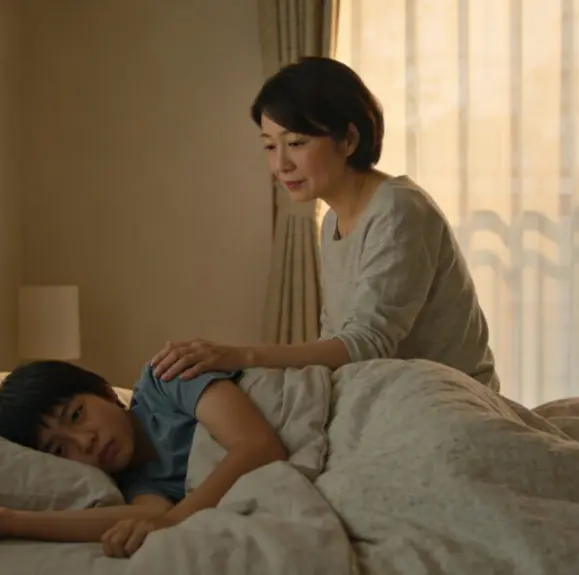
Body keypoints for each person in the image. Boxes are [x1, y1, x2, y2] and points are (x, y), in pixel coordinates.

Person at [150, 56, 500, 392]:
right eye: (269, 147)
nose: (281, 165)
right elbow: (336, 339)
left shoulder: (398, 210)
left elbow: (367, 343)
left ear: (348, 139)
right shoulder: (332, 220)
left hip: (447, 396)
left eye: (296, 143)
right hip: (383, 388)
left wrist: (241, 356)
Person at [0, 360, 287, 558]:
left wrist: (174, 519)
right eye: (60, 449)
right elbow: (148, 516)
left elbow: (258, 445)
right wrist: (4, 521)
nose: (85, 442)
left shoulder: (165, 380)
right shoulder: (135, 483)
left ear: (103, 391)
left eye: (76, 414)